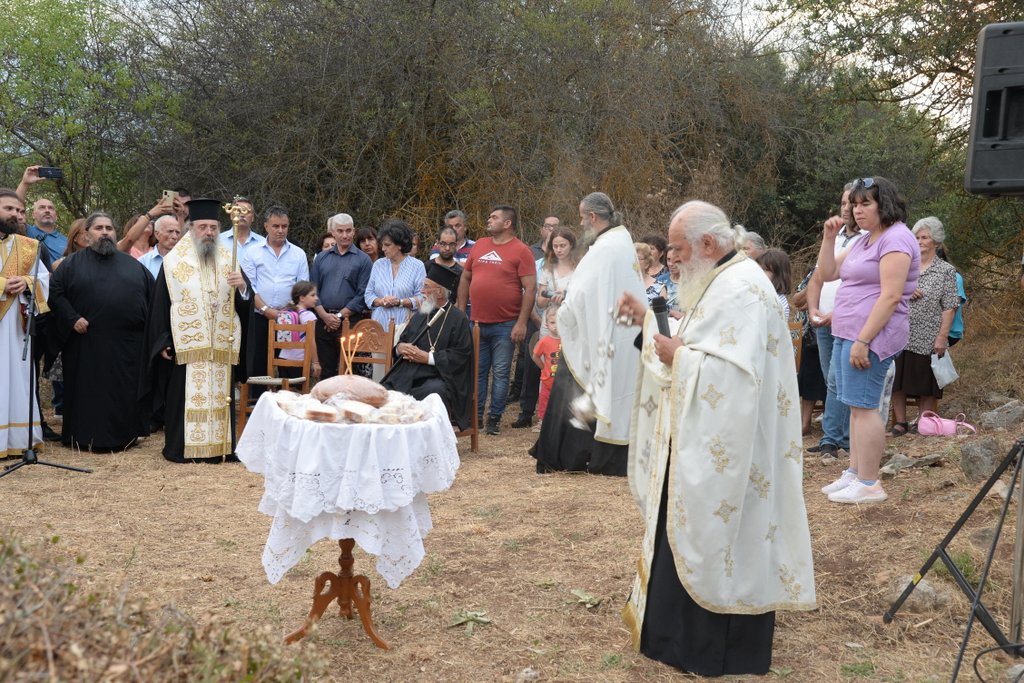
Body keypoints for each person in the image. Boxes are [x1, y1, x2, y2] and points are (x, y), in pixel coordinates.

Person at [617, 200, 816, 677]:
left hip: (733, 448)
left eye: (679, 249)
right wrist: (650, 322)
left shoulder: (742, 288)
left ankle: (706, 648)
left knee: (721, 537)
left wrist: (677, 358)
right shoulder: (721, 279)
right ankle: (670, 635)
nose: (673, 259)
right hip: (703, 441)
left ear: (709, 244)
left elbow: (732, 378)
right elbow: (699, 339)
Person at [818, 177, 920, 504]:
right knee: (854, 406)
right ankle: (854, 472)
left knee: (864, 406)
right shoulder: (865, 240)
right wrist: (828, 237)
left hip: (872, 336)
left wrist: (864, 340)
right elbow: (828, 273)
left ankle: (869, 482)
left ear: (884, 204)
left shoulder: (896, 239)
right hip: (848, 331)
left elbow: (890, 297)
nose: (856, 210)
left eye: (865, 204)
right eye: (854, 204)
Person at [530, 192, 645, 476]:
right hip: (619, 333)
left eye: (582, 217)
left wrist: (566, 313)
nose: (581, 223)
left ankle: (567, 455)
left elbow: (581, 293)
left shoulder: (604, 248)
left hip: (599, 333)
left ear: (592, 217)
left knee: (574, 385)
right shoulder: (623, 240)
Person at [142, 198, 252, 463]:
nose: (209, 232)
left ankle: (221, 448)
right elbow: (160, 306)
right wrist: (164, 340)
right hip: (188, 347)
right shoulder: (173, 262)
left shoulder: (230, 258)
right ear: (191, 228)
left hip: (220, 345)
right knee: (184, 398)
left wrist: (243, 288)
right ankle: (182, 449)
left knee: (221, 397)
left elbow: (245, 302)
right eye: (203, 227)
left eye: (213, 227)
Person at [48, 212, 153, 452]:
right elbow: (55, 293)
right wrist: (72, 318)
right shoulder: (71, 264)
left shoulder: (133, 265)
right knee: (87, 392)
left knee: (122, 390)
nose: (105, 232)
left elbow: (151, 297)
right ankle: (81, 436)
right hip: (85, 344)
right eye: (98, 228)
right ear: (86, 234)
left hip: (126, 345)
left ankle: (124, 435)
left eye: (109, 227)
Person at [457, 205, 536, 435]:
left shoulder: (521, 251)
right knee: (478, 372)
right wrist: (462, 311)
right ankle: (477, 417)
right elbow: (466, 277)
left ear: (508, 223)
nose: (488, 220)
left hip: (506, 325)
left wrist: (521, 323)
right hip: (477, 323)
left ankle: (494, 419)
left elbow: (529, 289)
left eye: (494, 217)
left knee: (501, 373)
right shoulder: (480, 245)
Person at [805, 184, 865, 460]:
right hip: (824, 320)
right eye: (843, 202)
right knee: (833, 381)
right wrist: (813, 309)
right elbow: (818, 277)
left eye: (851, 203)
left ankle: (834, 439)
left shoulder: (867, 239)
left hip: (847, 320)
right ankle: (836, 437)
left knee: (838, 379)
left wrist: (835, 314)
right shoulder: (835, 236)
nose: (846, 208)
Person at [889, 216, 959, 436]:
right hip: (899, 332)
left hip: (929, 334)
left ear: (936, 242)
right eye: (916, 237)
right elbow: (887, 291)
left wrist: (942, 337)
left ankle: (924, 423)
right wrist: (905, 291)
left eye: (925, 237)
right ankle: (900, 423)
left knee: (927, 381)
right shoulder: (904, 266)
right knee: (897, 380)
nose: (919, 241)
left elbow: (950, 306)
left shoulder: (946, 271)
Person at [383, 262, 473, 429]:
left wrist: (428, 358)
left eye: (426, 287)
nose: (422, 292)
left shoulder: (458, 319)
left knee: (435, 391)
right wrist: (399, 348)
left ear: (439, 292)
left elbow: (461, 356)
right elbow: (403, 341)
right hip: (409, 373)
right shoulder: (421, 314)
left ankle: (433, 437)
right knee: (387, 389)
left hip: (438, 376)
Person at [0, 188, 49, 457]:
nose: (16, 215)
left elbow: (43, 279)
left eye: (19, 211)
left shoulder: (28, 245)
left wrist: (28, 283)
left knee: (17, 380)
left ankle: (17, 440)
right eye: (9, 209)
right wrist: (4, 284)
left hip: (16, 325)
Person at [240, 206, 310, 385]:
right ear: (266, 227)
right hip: (260, 317)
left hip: (290, 319)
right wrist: (265, 310)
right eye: (276, 226)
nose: (280, 230)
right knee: (259, 364)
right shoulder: (252, 253)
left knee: (290, 366)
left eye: (284, 226)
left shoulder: (298, 254)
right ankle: (258, 404)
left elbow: (302, 288)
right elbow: (249, 287)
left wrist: (288, 312)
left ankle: (289, 403)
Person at [310, 213, 372, 378]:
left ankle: (348, 404)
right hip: (323, 322)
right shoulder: (321, 258)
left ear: (354, 231)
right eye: (340, 231)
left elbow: (362, 295)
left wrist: (337, 317)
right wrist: (324, 315)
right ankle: (326, 403)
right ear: (333, 232)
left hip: (350, 322)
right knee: (327, 371)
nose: (345, 235)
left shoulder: (364, 260)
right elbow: (312, 290)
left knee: (349, 370)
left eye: (348, 230)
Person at [365, 219, 425, 332]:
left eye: (387, 245)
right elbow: (368, 295)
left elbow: (423, 298)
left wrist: (400, 302)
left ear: (400, 245)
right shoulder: (378, 265)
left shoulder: (417, 266)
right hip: (379, 327)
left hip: (406, 326)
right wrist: (382, 301)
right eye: (382, 245)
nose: (383, 249)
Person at [276, 280, 321, 380]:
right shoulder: (309, 315)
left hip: (282, 357)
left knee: (285, 389)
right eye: (313, 295)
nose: (316, 298)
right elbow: (311, 340)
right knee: (298, 392)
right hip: (299, 360)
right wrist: (316, 362)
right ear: (302, 298)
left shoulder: (286, 311)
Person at [530, 305, 561, 431]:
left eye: (558, 321)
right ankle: (542, 421)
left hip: (562, 380)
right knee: (544, 400)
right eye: (552, 322)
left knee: (561, 402)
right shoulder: (544, 341)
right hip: (548, 379)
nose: (555, 325)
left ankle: (559, 423)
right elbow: (535, 355)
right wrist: (543, 367)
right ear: (547, 324)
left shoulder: (567, 340)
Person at [755, 248, 792, 320]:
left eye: (766, 269)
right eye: (758, 268)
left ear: (779, 274)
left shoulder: (778, 301)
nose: (760, 272)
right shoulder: (760, 293)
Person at [433, 225, 463, 306]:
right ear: (437, 243)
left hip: (452, 315)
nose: (447, 248)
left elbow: (461, 301)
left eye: (451, 244)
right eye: (443, 243)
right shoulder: (427, 267)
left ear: (456, 245)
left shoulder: (461, 272)